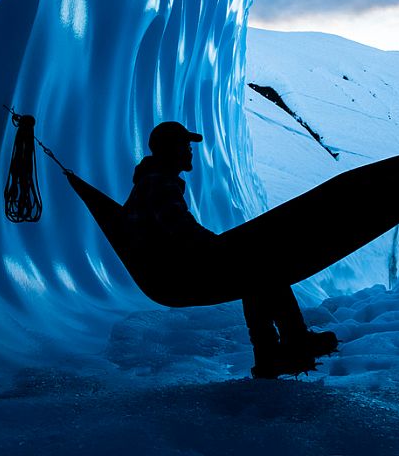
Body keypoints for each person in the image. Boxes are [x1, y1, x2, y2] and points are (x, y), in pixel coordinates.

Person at [123, 121, 338, 378]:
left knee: (256, 269)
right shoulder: (158, 183)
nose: (190, 151)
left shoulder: (154, 181)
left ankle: (274, 353)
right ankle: (288, 345)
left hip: (169, 268)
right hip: (173, 272)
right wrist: (220, 247)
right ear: (171, 150)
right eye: (185, 145)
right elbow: (182, 231)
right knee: (262, 267)